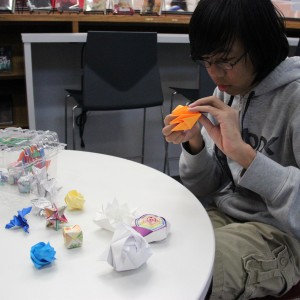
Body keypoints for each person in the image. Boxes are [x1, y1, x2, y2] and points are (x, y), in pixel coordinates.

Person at [162, 0, 300, 299]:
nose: (214, 75)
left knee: (182, 274)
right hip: (225, 213)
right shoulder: (227, 93)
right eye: (205, 62)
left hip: (282, 235)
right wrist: (195, 143)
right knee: (155, 249)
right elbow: (208, 187)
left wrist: (246, 156)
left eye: (225, 61)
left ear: (261, 45)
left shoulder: (295, 98)